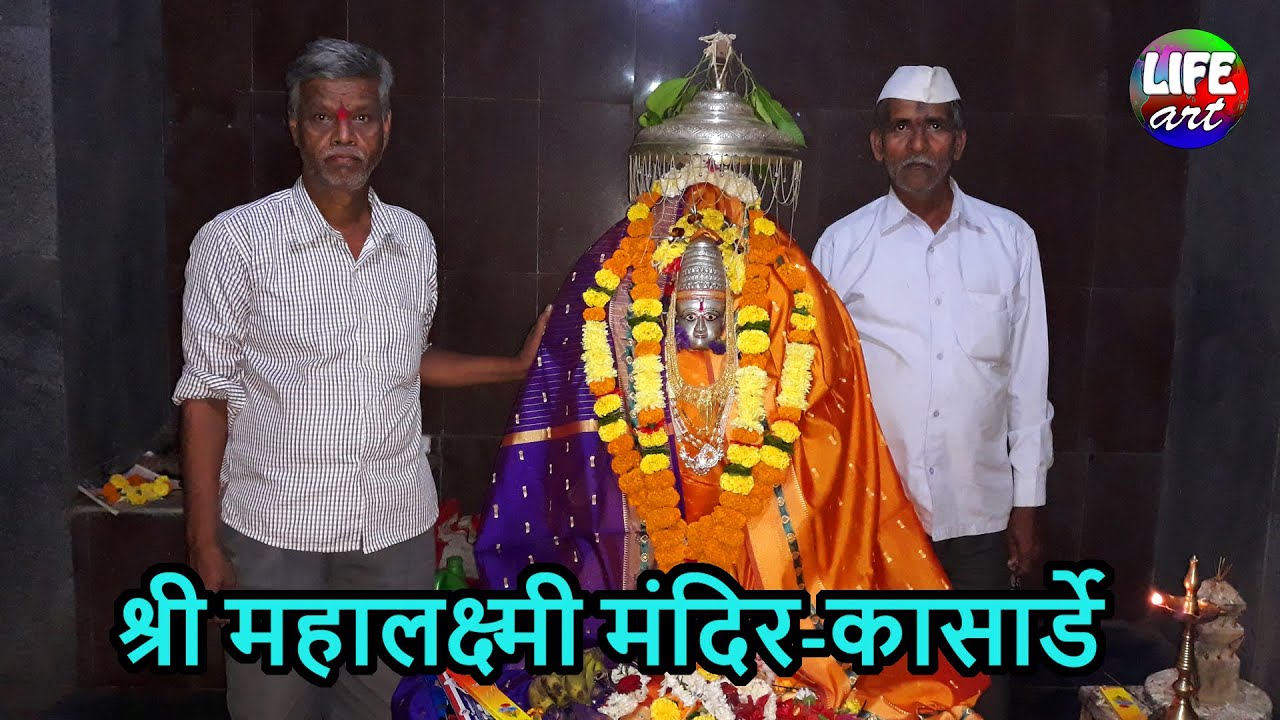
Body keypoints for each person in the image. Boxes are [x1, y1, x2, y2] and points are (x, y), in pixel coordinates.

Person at [462, 38, 988, 720]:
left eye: (720, 175)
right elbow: (566, 400)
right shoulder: (618, 269)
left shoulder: (788, 276)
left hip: (761, 534)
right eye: (690, 173)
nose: (703, 190)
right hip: (639, 526)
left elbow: (828, 414)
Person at [172, 38, 550, 720]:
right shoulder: (233, 242)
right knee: (272, 711)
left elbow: (408, 359)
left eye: (363, 117)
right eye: (324, 117)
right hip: (276, 535)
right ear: (296, 127)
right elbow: (205, 396)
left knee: (386, 709)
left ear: (386, 128)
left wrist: (513, 367)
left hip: (393, 535)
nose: (344, 136)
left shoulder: (413, 240)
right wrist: (203, 542)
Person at [812, 65, 1055, 720]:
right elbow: (821, 397)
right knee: (873, 693)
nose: (918, 143)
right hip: (873, 519)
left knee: (979, 691)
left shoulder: (1009, 242)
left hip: (978, 520)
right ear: (876, 144)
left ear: (959, 141)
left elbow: (1028, 384)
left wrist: (1026, 506)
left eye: (934, 125)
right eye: (901, 128)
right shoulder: (842, 246)